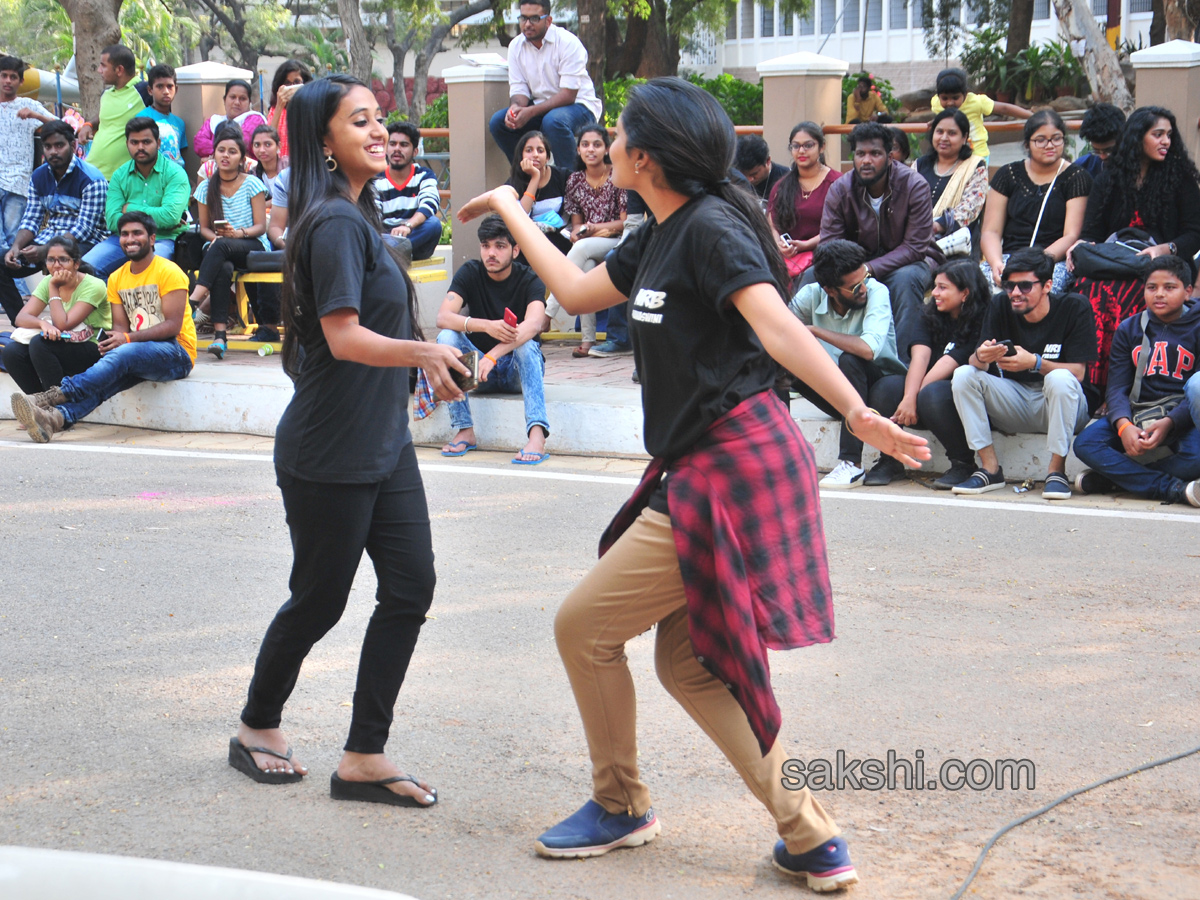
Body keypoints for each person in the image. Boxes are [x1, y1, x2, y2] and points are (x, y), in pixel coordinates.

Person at [458, 77, 927, 885]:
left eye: (619, 135)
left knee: (584, 628)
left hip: (731, 466)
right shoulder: (658, 230)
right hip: (705, 458)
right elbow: (571, 291)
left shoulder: (710, 228)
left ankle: (622, 803)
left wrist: (857, 411)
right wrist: (510, 204)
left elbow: (776, 325)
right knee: (693, 665)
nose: (604, 143)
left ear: (645, 156)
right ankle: (811, 835)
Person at [230, 75, 467, 803]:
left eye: (378, 118)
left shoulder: (360, 218)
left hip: (382, 441)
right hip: (330, 449)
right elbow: (342, 336)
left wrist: (427, 359)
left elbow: (383, 324)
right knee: (321, 598)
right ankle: (257, 726)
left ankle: (365, 753)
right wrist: (424, 356)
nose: (376, 130)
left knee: (411, 585)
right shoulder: (333, 222)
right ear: (324, 144)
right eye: (357, 121)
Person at [8, 211, 196, 442]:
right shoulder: (116, 278)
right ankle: (56, 419)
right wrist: (118, 341)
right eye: (125, 234)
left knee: (124, 353)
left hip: (177, 352)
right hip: (139, 352)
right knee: (112, 375)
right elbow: (120, 328)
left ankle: (52, 397)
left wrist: (126, 340)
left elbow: (173, 326)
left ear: (152, 239)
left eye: (137, 233)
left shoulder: (169, 271)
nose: (130, 239)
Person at [1069, 106, 1200, 392]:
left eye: (1169, 135)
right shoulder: (1109, 179)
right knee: (1086, 291)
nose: (1166, 141)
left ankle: (1123, 388)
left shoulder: (1181, 179)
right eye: (1158, 134)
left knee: (1133, 294)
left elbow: (1195, 234)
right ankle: (1091, 388)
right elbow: (1092, 232)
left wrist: (1164, 249)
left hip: (1167, 263)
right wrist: (1080, 246)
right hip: (1115, 261)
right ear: (1137, 138)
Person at [951, 248, 1098, 500]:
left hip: (1063, 406)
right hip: (1015, 400)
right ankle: (990, 469)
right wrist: (982, 357)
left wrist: (1035, 362)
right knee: (964, 374)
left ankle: (1056, 472)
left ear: (1048, 285)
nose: (1015, 293)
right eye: (1010, 286)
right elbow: (977, 360)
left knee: (1059, 378)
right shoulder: (1000, 304)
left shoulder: (1074, 307)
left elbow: (1079, 374)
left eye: (1025, 286)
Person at [1073, 255, 1200, 506]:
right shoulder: (1129, 328)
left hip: (1183, 416)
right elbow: (1117, 387)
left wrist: (1169, 423)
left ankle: (1112, 480)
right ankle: (1169, 487)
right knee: (1086, 444)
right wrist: (1123, 426)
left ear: (1188, 291)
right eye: (1152, 288)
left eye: (1170, 287)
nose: (1159, 294)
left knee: (1196, 458)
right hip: (1139, 410)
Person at [787, 240, 908, 488]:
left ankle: (851, 464)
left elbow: (868, 349)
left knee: (850, 359)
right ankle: (779, 450)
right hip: (842, 394)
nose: (863, 288)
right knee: (782, 361)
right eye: (854, 287)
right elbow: (778, 332)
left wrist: (815, 331)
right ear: (830, 290)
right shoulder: (811, 295)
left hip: (883, 386)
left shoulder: (877, 291)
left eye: (864, 278)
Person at [819, 121, 938, 365]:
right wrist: (853, 270)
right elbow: (830, 244)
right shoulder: (841, 189)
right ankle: (813, 362)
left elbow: (915, 247)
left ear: (890, 155)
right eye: (860, 153)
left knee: (904, 280)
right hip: (856, 265)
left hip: (913, 261)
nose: (866, 161)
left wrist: (868, 269)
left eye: (875, 153)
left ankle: (901, 366)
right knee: (813, 275)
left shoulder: (914, 185)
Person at [867, 259, 992, 488]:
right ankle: (890, 459)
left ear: (965, 293)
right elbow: (920, 357)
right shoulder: (928, 314)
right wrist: (907, 398)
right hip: (925, 399)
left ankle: (963, 463)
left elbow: (951, 361)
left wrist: (912, 398)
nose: (934, 293)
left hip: (960, 401)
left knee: (932, 393)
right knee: (886, 388)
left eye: (943, 288)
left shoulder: (984, 318)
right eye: (934, 286)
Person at [435, 214, 550, 464]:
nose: (491, 253)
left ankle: (537, 435)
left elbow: (534, 324)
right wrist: (485, 326)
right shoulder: (471, 272)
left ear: (515, 250)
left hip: (514, 372)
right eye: (486, 245)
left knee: (527, 344)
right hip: (480, 373)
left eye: (499, 246)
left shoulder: (530, 279)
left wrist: (492, 355)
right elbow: (443, 317)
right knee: (446, 337)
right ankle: (464, 429)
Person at [0, 120, 108, 322]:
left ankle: (75, 325)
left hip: (86, 243)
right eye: (48, 147)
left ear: (73, 146)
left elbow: (84, 229)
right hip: (49, 241)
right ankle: (21, 323)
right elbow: (31, 218)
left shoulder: (92, 179)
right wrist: (15, 247)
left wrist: (46, 251)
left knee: (70, 261)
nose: (53, 152)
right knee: (1, 259)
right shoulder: (39, 176)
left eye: (59, 145)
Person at [979, 110, 1091, 293]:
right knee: (979, 291)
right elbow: (991, 231)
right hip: (1009, 258)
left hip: (1051, 261)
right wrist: (996, 263)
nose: (1050, 145)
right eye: (1040, 140)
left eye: (1056, 138)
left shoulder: (1076, 177)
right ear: (1027, 143)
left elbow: (1071, 235)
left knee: (1039, 292)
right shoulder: (1007, 175)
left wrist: (1037, 262)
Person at [488, 0, 602, 169]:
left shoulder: (568, 43)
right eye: (523, 18)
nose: (527, 24)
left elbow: (568, 95)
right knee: (499, 123)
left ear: (548, 21)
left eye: (534, 18)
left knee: (553, 122)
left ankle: (571, 185)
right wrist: (515, 109)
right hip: (542, 109)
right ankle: (529, 178)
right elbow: (519, 89)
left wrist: (530, 112)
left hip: (580, 106)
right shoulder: (516, 46)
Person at [188, 126, 270, 359]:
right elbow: (203, 228)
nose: (225, 155)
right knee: (222, 266)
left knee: (222, 246)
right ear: (213, 154)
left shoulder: (252, 184)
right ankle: (220, 338)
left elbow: (260, 227)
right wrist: (219, 238)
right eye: (221, 150)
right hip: (219, 248)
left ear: (242, 158)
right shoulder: (205, 187)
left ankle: (193, 301)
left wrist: (237, 234)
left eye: (232, 151)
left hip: (251, 244)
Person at [2, 234, 111, 393]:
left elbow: (62, 325)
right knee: (12, 352)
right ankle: (42, 403)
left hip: (94, 348)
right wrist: (42, 323)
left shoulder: (94, 285)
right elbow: (21, 318)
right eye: (51, 259)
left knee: (40, 344)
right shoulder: (49, 281)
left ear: (76, 264)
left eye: (63, 259)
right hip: (64, 343)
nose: (57, 265)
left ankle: (59, 404)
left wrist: (54, 288)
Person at [83, 117, 190, 278]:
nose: (140, 147)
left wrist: (129, 208)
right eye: (134, 142)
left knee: (151, 270)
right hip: (123, 239)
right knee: (87, 268)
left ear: (158, 143)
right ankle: (115, 303)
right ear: (127, 144)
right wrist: (155, 216)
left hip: (162, 240)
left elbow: (169, 217)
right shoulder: (119, 175)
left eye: (146, 142)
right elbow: (112, 220)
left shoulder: (175, 174)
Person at [555, 123, 627, 358]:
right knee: (584, 267)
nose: (590, 150)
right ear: (578, 150)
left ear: (606, 148)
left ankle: (547, 313)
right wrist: (578, 232)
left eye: (597, 144)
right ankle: (587, 341)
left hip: (615, 240)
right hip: (589, 243)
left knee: (583, 247)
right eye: (585, 145)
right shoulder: (575, 180)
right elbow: (576, 223)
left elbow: (625, 222)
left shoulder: (618, 175)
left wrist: (594, 228)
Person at [1, 55, 58, 279]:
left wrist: (35, 116)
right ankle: (12, 292)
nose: (8, 81)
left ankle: (18, 290)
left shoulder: (29, 105)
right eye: (4, 75)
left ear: (20, 82)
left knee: (14, 237)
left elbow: (64, 126)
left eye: (13, 77)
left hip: (18, 182)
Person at [768, 122, 838, 283]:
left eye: (808, 145)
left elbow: (838, 228)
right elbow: (772, 224)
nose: (801, 151)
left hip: (825, 256)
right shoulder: (782, 186)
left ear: (822, 147)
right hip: (786, 258)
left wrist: (805, 245)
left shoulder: (837, 184)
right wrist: (780, 244)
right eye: (795, 146)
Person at [913, 109, 988, 243]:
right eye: (939, 131)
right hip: (914, 237)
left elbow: (970, 208)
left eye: (952, 133)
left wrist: (935, 227)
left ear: (964, 138)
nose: (944, 138)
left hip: (955, 243)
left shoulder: (976, 166)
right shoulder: (919, 164)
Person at [372, 120, 443, 261]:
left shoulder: (424, 175)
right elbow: (373, 215)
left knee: (433, 225)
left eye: (404, 145)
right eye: (392, 144)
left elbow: (429, 203)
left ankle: (391, 253)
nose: (397, 149)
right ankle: (394, 252)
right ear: (386, 149)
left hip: (414, 238)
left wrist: (408, 226)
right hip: (387, 236)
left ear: (415, 151)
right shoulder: (376, 179)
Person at [930, 66, 1030, 161]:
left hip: (977, 154)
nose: (950, 102)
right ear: (938, 96)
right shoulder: (936, 103)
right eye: (945, 98)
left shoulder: (976, 102)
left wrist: (1031, 116)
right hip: (952, 156)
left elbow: (1004, 108)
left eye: (955, 98)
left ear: (965, 94)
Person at [78, 45, 144, 178]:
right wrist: (88, 125)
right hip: (92, 173)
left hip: (122, 178)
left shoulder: (143, 91)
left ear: (119, 70)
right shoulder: (106, 94)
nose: (99, 70)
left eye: (103, 66)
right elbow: (103, 117)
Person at [504, 130, 572, 253]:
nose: (535, 155)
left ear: (547, 158)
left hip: (559, 239)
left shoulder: (563, 177)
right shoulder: (513, 183)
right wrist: (535, 177)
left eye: (540, 150)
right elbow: (521, 215)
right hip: (527, 241)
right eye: (529, 150)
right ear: (521, 156)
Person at [193, 79, 267, 162]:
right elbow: (198, 143)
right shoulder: (214, 121)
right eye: (233, 97)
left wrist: (213, 158)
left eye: (242, 98)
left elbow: (242, 142)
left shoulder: (255, 119)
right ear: (224, 100)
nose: (237, 102)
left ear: (249, 102)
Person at [142, 63, 187, 168]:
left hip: (178, 179)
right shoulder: (143, 118)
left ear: (176, 89)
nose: (166, 91)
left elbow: (181, 156)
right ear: (150, 90)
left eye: (169, 86)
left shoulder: (179, 123)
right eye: (160, 86)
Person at [266, 60, 312, 158]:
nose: (291, 87)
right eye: (287, 83)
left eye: (296, 82)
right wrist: (279, 106)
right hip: (281, 166)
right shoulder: (275, 110)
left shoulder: (311, 107)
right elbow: (269, 138)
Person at [735, 134, 789, 209]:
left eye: (754, 174)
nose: (748, 179)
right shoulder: (734, 181)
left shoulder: (787, 179)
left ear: (768, 161)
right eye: (743, 174)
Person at [1074, 103, 1126, 178]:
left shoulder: (1137, 166)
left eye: (1109, 151)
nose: (1102, 157)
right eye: (1096, 151)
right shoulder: (1082, 166)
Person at [251, 124, 288, 191]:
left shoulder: (288, 166)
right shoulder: (253, 175)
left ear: (279, 146)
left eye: (268, 144)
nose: (262, 150)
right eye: (257, 145)